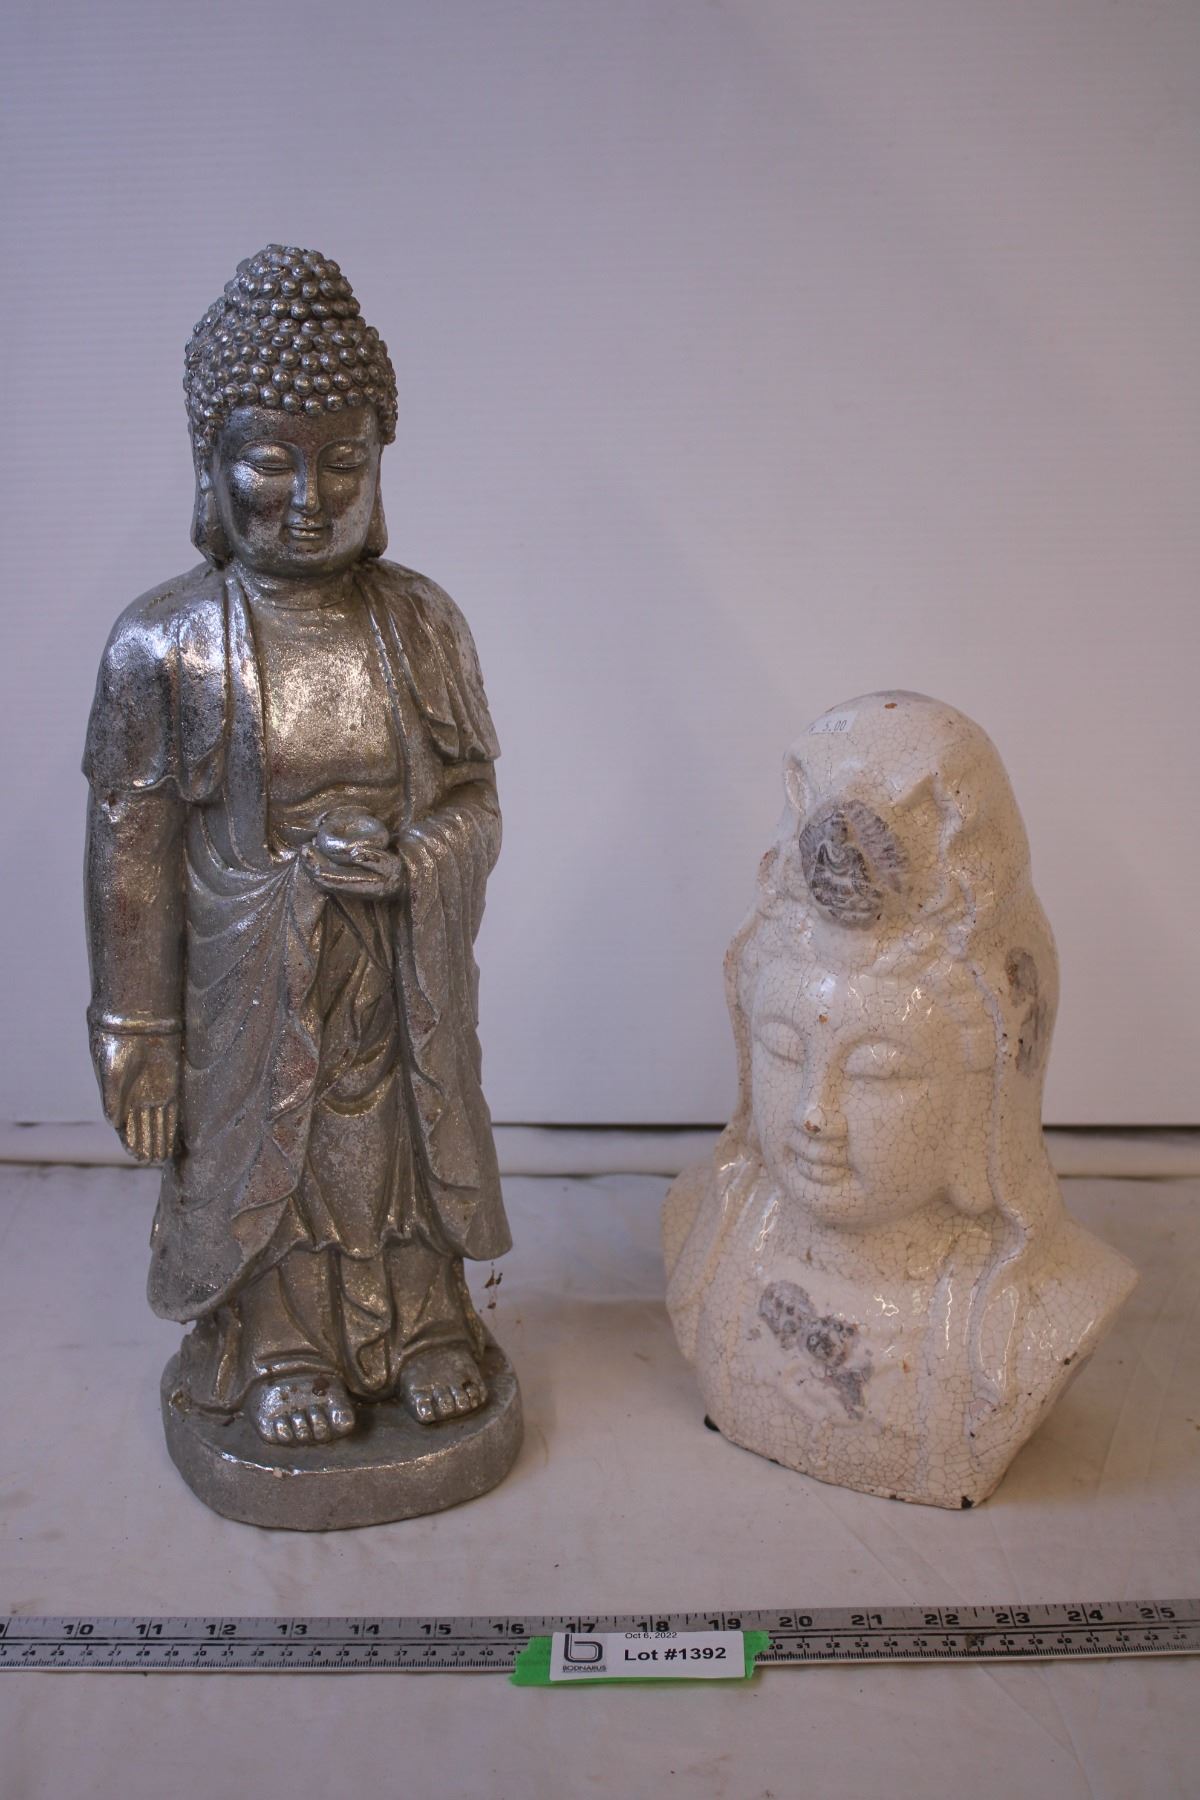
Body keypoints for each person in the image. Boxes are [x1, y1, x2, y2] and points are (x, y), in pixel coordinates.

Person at [84, 246, 510, 1450]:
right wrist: (135, 1033)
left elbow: (477, 803)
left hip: (397, 972)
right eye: (272, 463)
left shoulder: (421, 622)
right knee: (272, 1153)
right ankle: (281, 1345)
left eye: (344, 461)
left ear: (381, 460)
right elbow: (130, 851)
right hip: (252, 980)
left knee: (406, 1148)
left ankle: (424, 1324)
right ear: (212, 462)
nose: (311, 498)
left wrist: (417, 863)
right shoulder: (164, 645)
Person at [663, 692, 1136, 1507]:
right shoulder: (704, 1241)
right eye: (784, 1050)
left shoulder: (1034, 1315)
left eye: (878, 1073)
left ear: (985, 1101)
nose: (815, 1113)